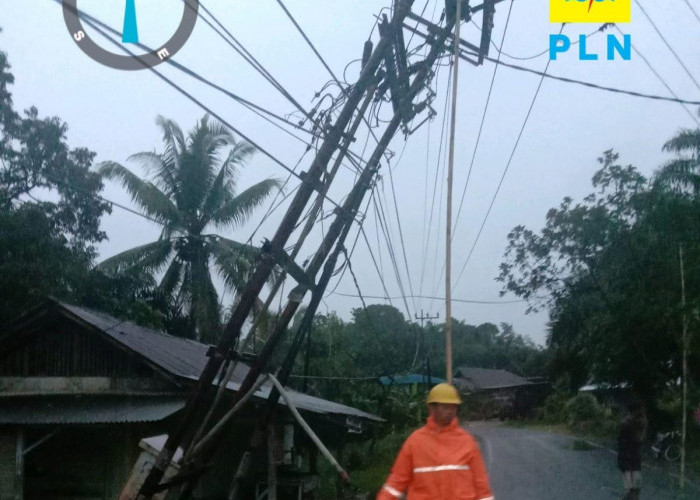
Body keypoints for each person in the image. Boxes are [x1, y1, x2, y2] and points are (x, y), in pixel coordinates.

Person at [377, 383, 494, 500]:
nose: (450, 412)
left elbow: (481, 484)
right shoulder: (415, 441)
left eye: (453, 407)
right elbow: (397, 481)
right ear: (431, 408)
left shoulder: (466, 441)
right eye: (445, 407)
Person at [617, 399, 647, 500]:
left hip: (628, 458)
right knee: (635, 489)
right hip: (629, 459)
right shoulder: (629, 424)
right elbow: (639, 439)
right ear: (636, 410)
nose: (643, 412)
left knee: (633, 489)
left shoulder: (628, 422)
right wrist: (644, 428)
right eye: (642, 410)